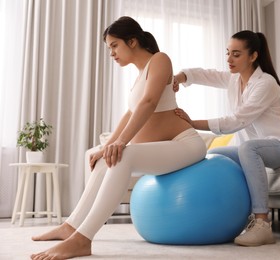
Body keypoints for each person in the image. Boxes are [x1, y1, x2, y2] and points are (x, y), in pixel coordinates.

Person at [30, 16, 207, 260]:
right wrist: (107, 146)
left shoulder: (160, 59)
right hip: (166, 147)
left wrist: (121, 143)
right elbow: (130, 113)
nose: (111, 53)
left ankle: (82, 240)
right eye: (109, 48)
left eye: (114, 45)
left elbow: (149, 103)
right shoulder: (139, 76)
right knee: (103, 157)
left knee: (122, 155)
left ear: (132, 41)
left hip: (185, 144)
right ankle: (71, 226)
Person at [174, 30, 280, 247]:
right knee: (213, 154)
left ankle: (262, 223)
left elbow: (237, 120)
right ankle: (234, 215)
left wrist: (193, 123)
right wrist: (180, 77)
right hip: (258, 146)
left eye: (236, 54)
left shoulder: (266, 83)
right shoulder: (233, 79)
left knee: (247, 148)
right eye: (227, 53)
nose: (229, 59)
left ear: (253, 56)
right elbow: (204, 74)